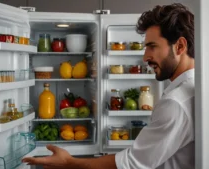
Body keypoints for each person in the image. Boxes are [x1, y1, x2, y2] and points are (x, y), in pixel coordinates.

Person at [22, 3, 195, 169]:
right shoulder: (192, 90)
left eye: (152, 46)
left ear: (179, 46)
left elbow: (131, 164)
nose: (145, 57)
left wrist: (69, 163)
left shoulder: (175, 103)